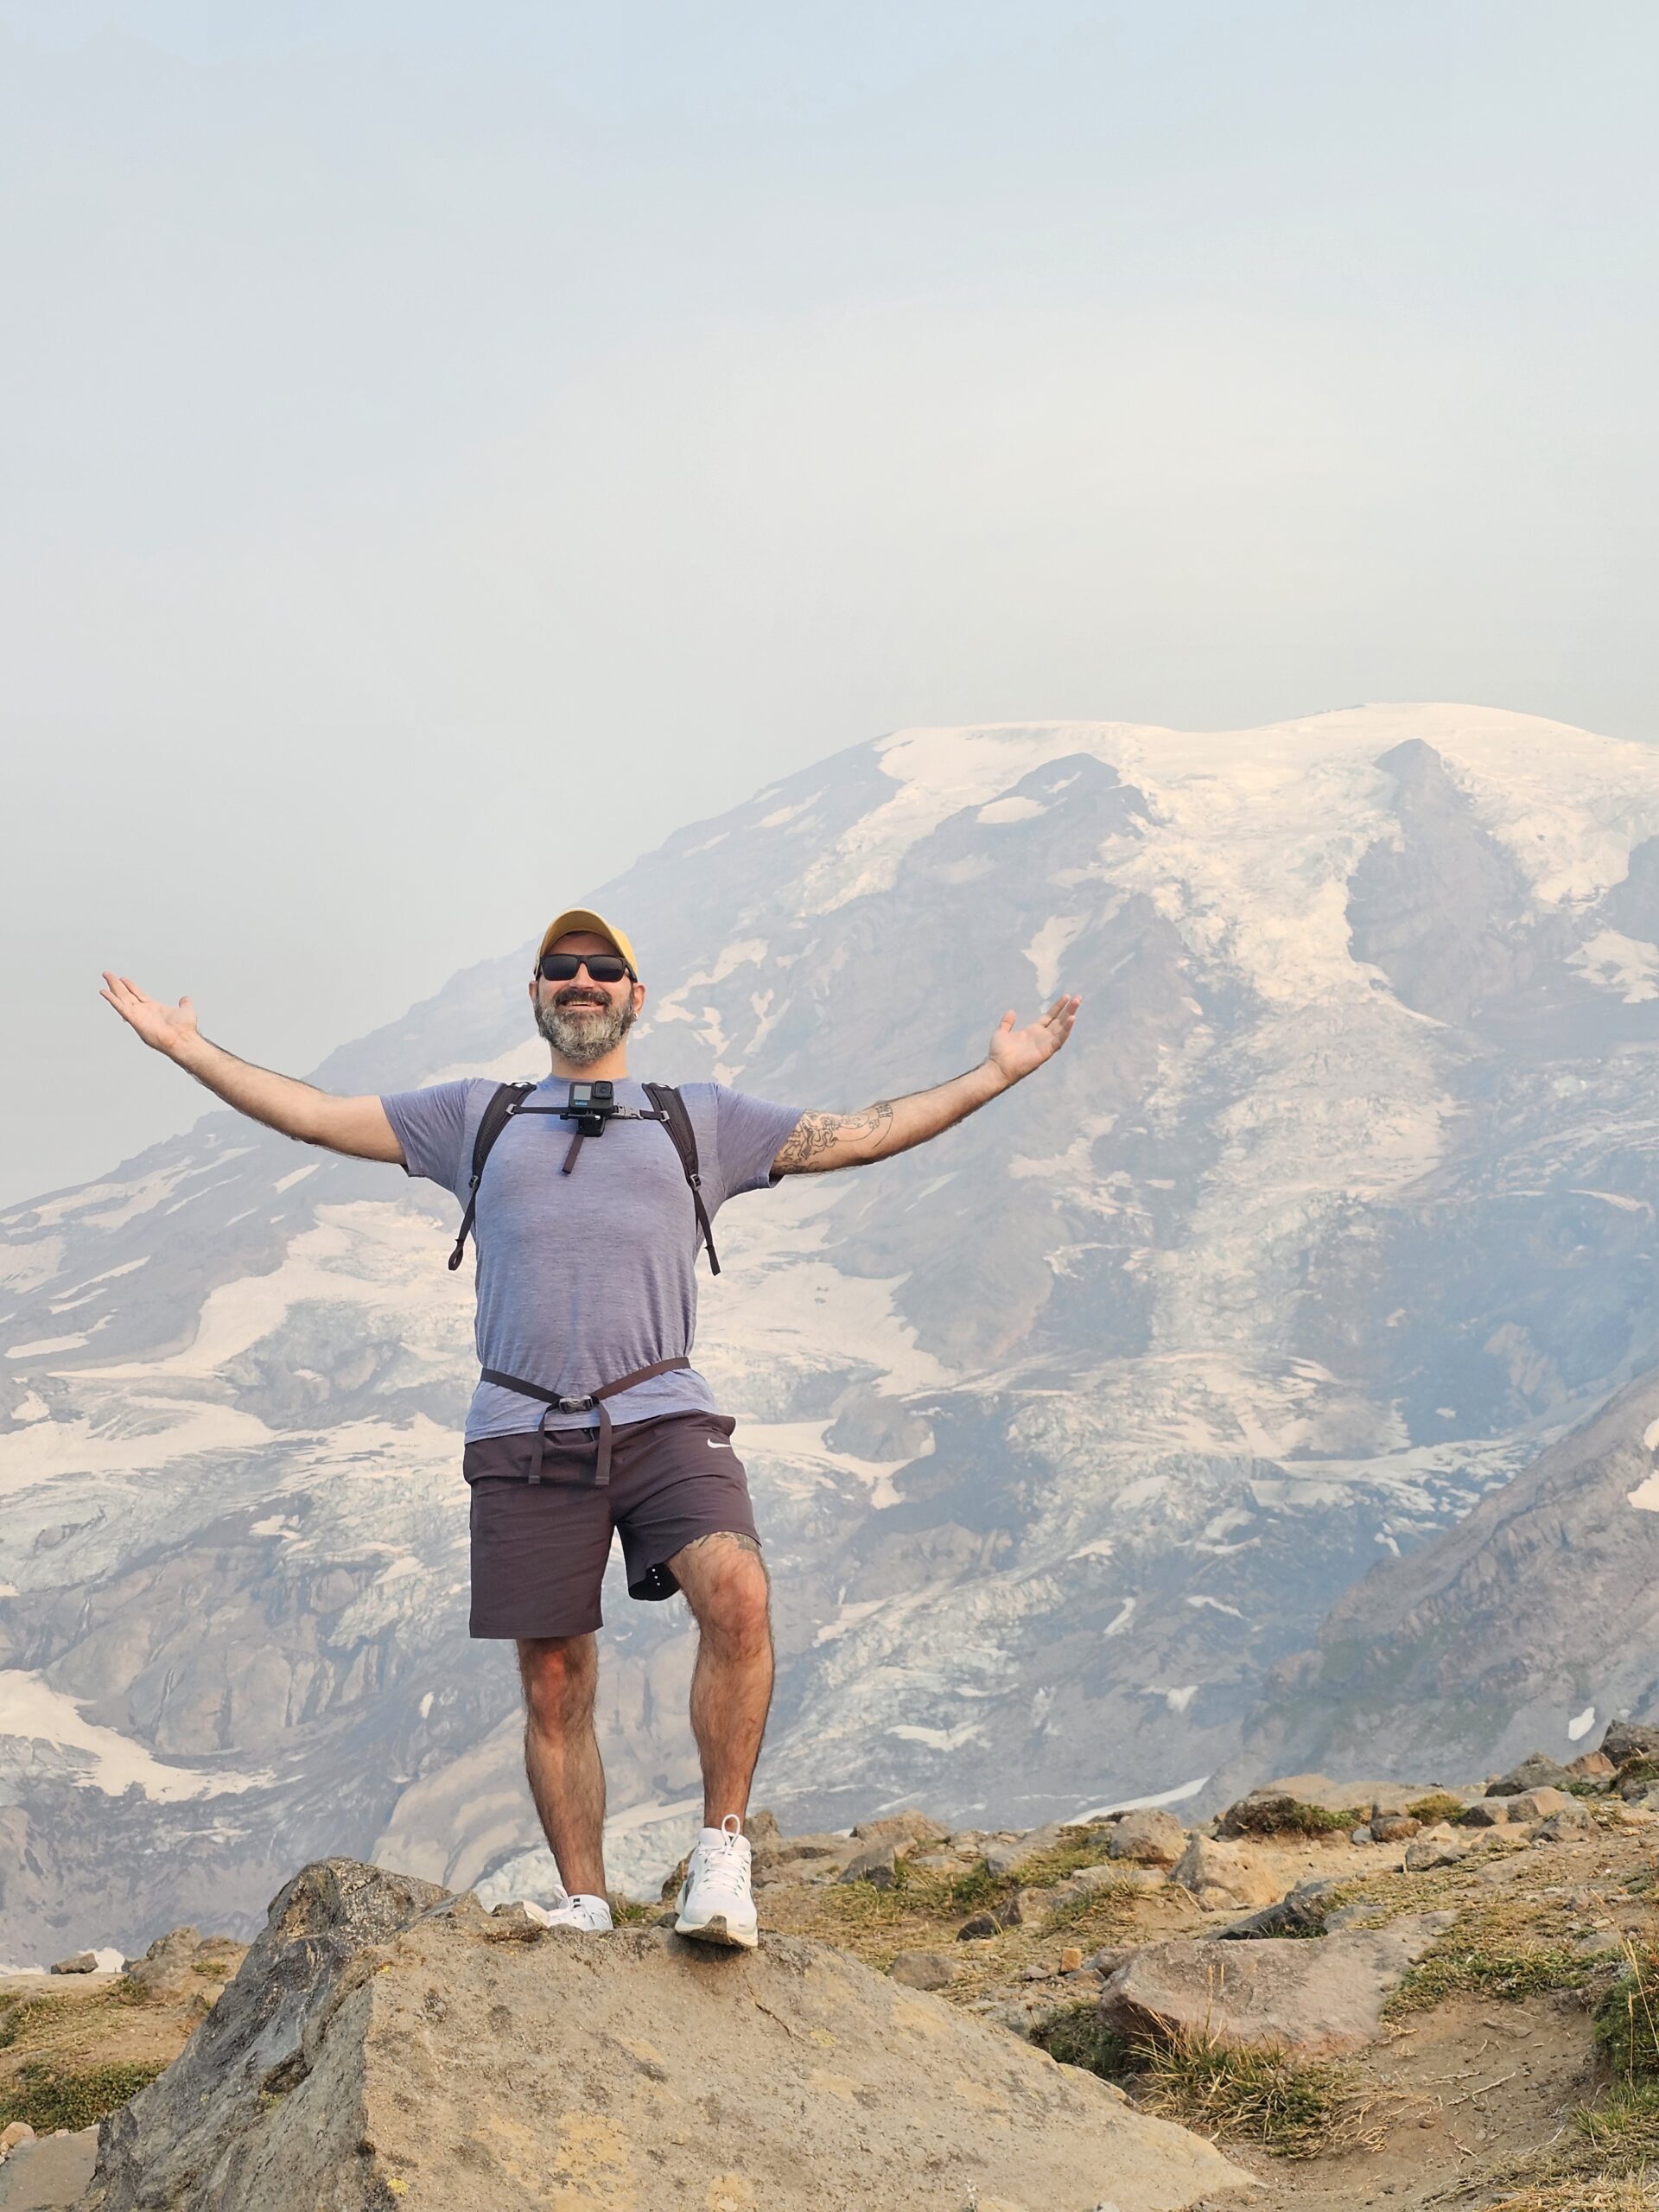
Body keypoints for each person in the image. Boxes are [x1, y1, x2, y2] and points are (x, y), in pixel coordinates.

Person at [100, 908, 1080, 1948]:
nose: (581, 980)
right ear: (535, 996)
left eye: (602, 968)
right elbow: (314, 1116)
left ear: (633, 995)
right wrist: (187, 1048)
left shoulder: (697, 1118)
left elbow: (860, 1133)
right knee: (555, 1676)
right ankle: (587, 1901)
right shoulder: (474, 1116)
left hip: (664, 1413)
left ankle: (721, 1860)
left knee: (738, 1592)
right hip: (523, 1425)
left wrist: (994, 1075)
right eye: (560, 968)